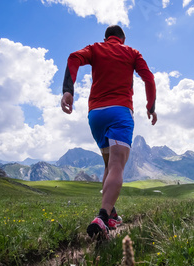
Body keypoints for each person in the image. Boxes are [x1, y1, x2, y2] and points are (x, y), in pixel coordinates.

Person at [61, 25, 157, 240]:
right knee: (116, 165)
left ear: (106, 38)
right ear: (123, 38)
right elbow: (149, 79)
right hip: (120, 112)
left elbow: (73, 57)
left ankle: (111, 212)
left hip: (95, 114)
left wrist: (68, 90)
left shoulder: (96, 48)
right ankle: (103, 217)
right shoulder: (132, 53)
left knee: (107, 164)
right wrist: (151, 107)